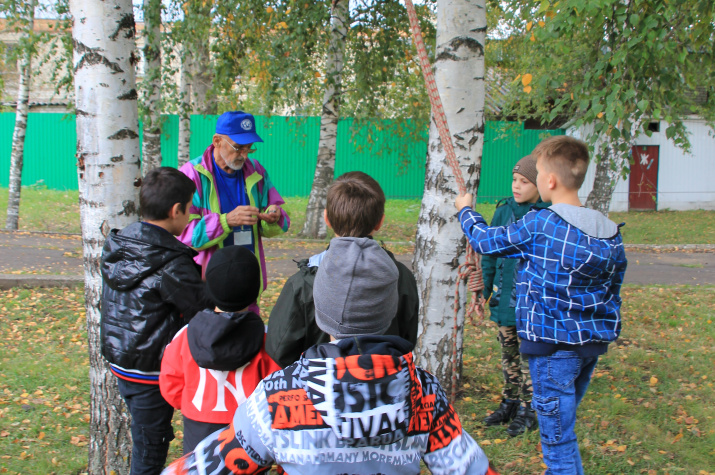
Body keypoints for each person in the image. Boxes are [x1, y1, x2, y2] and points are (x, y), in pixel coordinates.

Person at [162, 237, 496, 475]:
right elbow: (470, 467)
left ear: (320, 310)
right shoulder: (423, 394)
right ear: (389, 310)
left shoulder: (278, 397)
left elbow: (207, 465)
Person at [455, 135, 627, 474]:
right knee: (563, 433)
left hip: (552, 351)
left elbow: (486, 241)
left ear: (549, 181)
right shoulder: (608, 230)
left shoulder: (542, 224)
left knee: (556, 443)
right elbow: (614, 288)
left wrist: (465, 211)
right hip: (589, 348)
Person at [100, 167, 214, 475]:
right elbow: (202, 308)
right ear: (175, 210)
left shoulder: (121, 244)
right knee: (150, 451)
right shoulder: (171, 263)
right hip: (150, 369)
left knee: (146, 436)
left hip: (122, 360)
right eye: (189, 209)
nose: (191, 216)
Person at [265, 171, 419, 368]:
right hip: (386, 379)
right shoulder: (401, 276)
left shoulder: (303, 283)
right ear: (380, 222)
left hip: (315, 383)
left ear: (326, 218)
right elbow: (406, 339)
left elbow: (279, 349)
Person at [159, 245, 281, 454]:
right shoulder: (268, 340)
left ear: (209, 286)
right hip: (250, 440)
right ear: (255, 290)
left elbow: (170, 384)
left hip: (198, 437)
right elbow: (277, 390)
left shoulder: (185, 336)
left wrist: (192, 405)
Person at [178, 110, 290, 313]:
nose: (244, 155)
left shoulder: (256, 170)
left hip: (247, 282)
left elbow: (281, 218)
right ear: (217, 141)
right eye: (238, 148)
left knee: (249, 331)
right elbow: (184, 235)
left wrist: (273, 217)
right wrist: (226, 222)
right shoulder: (191, 175)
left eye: (249, 148)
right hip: (207, 289)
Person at [481, 155, 549, 437]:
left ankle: (529, 409)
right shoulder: (503, 212)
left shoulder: (546, 216)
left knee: (527, 357)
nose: (516, 186)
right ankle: (510, 401)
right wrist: (484, 291)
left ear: (540, 184)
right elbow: (489, 254)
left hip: (530, 304)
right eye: (514, 180)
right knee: (508, 353)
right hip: (504, 300)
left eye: (524, 181)